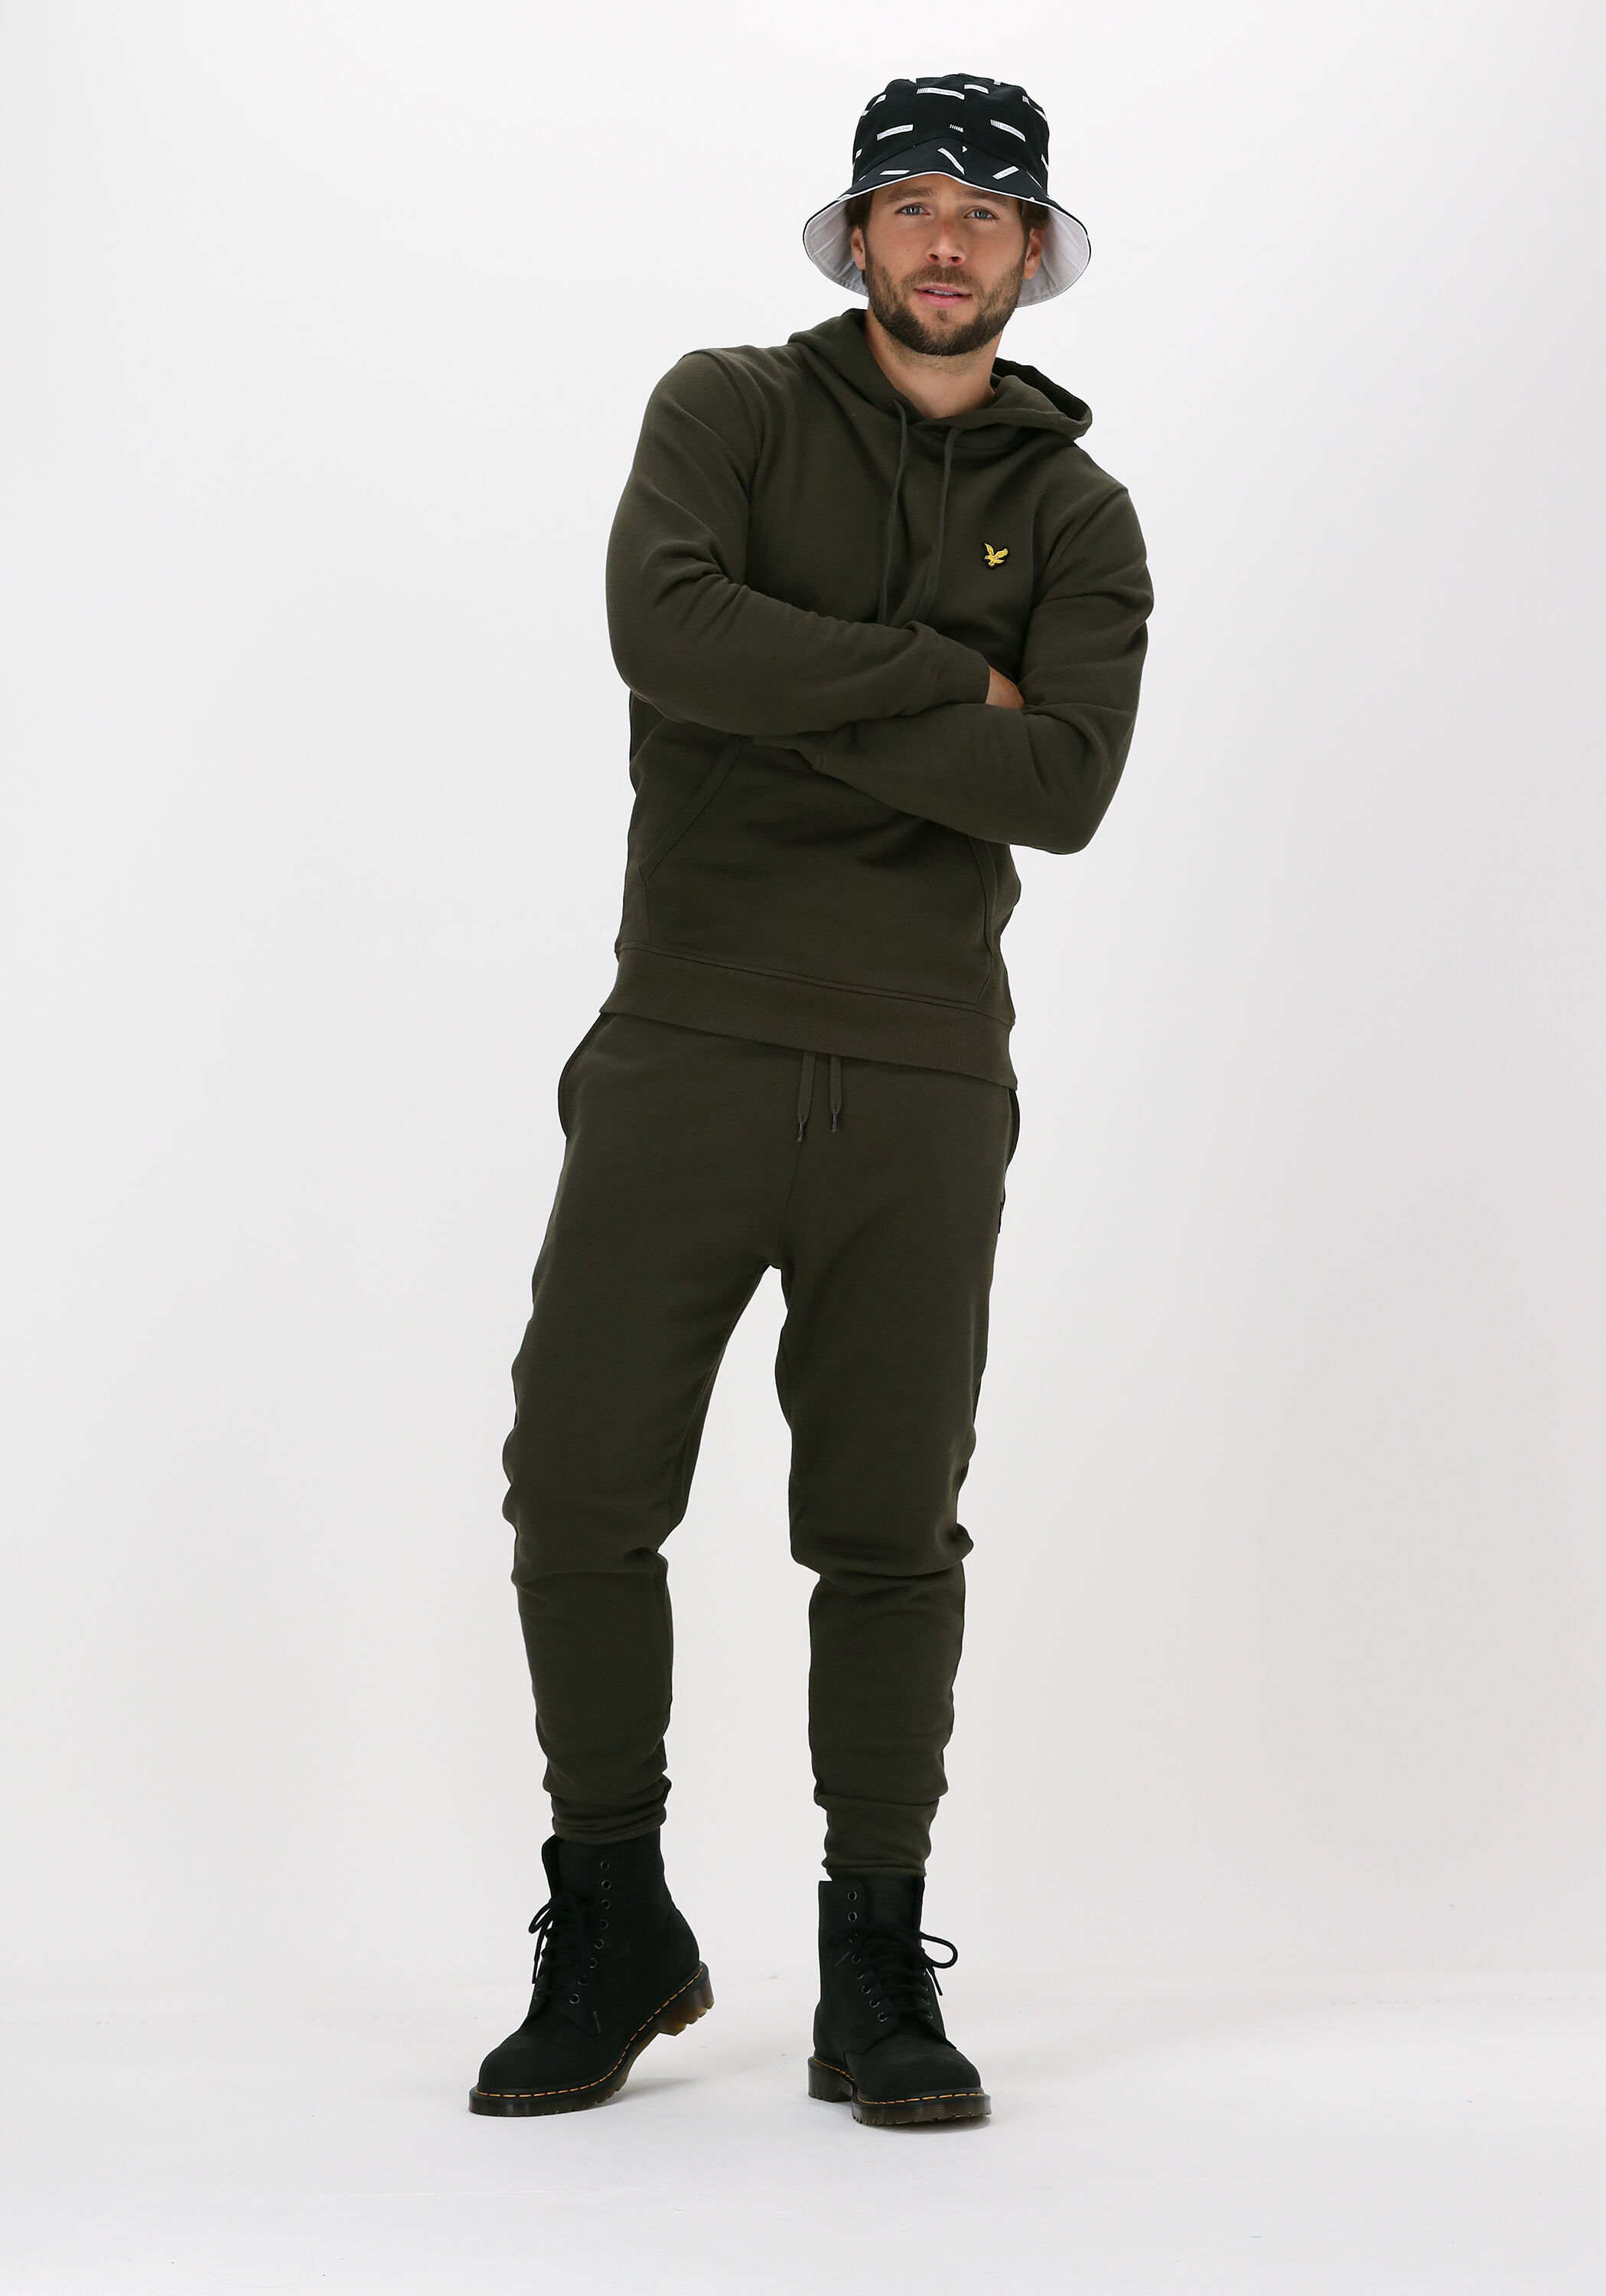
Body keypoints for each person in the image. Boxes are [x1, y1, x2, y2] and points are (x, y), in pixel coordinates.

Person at [470, 70, 1152, 2127]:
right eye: (911, 202)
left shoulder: (1084, 516)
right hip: (685, 1038)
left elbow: (1068, 789)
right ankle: (613, 1917)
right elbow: (658, 630)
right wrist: (946, 680)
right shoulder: (731, 411)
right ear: (855, 233)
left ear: (1033, 253)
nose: (946, 239)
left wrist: (779, 695)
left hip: (925, 1071)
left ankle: (875, 1958)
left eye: (985, 212)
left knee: (886, 1526)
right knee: (579, 1488)